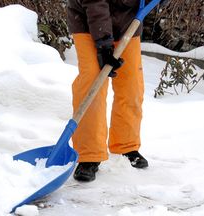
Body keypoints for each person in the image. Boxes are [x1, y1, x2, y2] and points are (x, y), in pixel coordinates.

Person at [67, 0, 149, 182]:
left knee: (132, 84)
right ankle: (89, 155)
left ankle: (126, 146)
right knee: (93, 81)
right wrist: (104, 44)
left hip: (128, 21)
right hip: (88, 21)